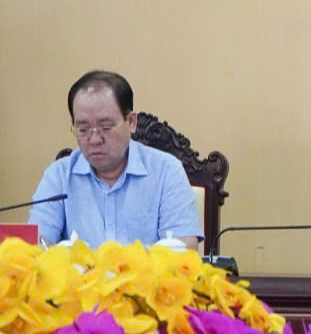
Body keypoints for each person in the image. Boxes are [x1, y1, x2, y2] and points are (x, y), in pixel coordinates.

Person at [28, 71, 202, 249]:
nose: (94, 139)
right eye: (83, 129)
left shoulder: (167, 171)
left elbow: (184, 247)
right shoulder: (58, 176)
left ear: (131, 122)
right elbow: (36, 245)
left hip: (145, 269)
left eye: (106, 127)